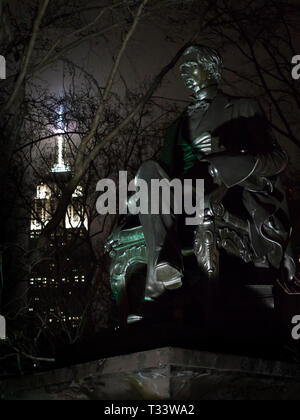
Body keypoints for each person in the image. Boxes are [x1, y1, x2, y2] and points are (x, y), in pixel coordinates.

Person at [134, 45, 296, 304]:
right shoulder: (174, 127)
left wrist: (228, 161)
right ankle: (164, 265)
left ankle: (162, 289)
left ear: (209, 68)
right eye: (181, 69)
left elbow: (277, 160)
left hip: (228, 190)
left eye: (190, 66)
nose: (184, 73)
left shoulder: (242, 107)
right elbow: (166, 172)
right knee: (146, 171)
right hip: (182, 193)